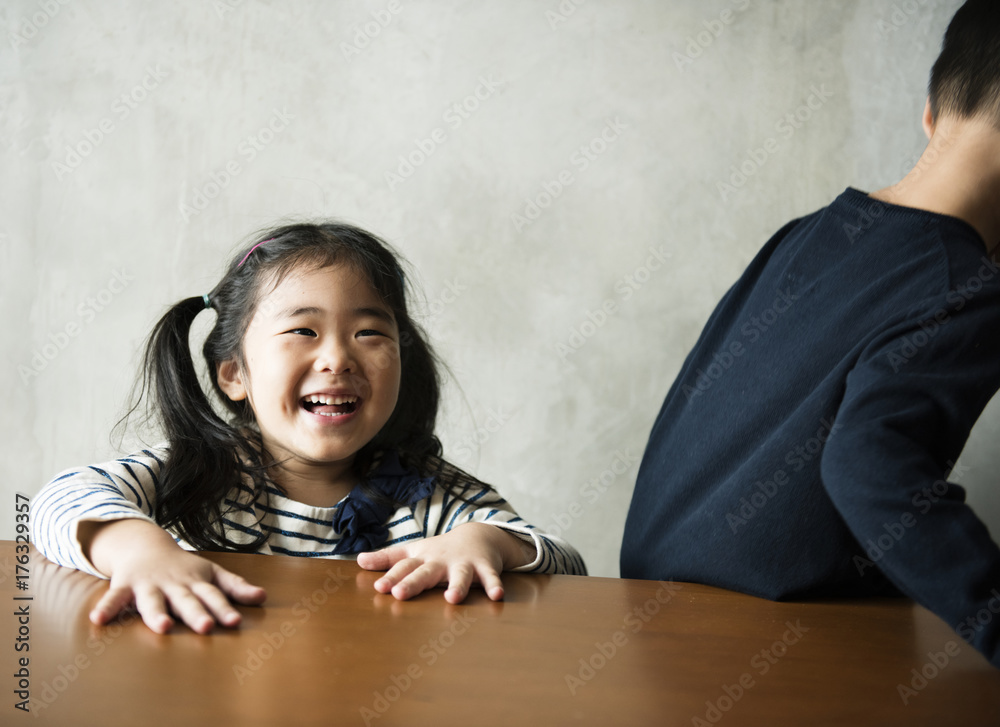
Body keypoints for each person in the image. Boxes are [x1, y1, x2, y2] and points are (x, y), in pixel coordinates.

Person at [621, 0, 1000, 668]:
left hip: (652, 624)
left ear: (931, 114)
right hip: (774, 658)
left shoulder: (808, 233)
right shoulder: (968, 287)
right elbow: (868, 466)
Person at [32, 222, 586, 635]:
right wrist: (137, 552)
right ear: (234, 375)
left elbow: (566, 564)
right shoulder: (193, 474)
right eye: (302, 329)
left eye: (369, 333)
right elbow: (55, 502)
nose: (338, 358)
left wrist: (484, 541)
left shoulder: (426, 494)